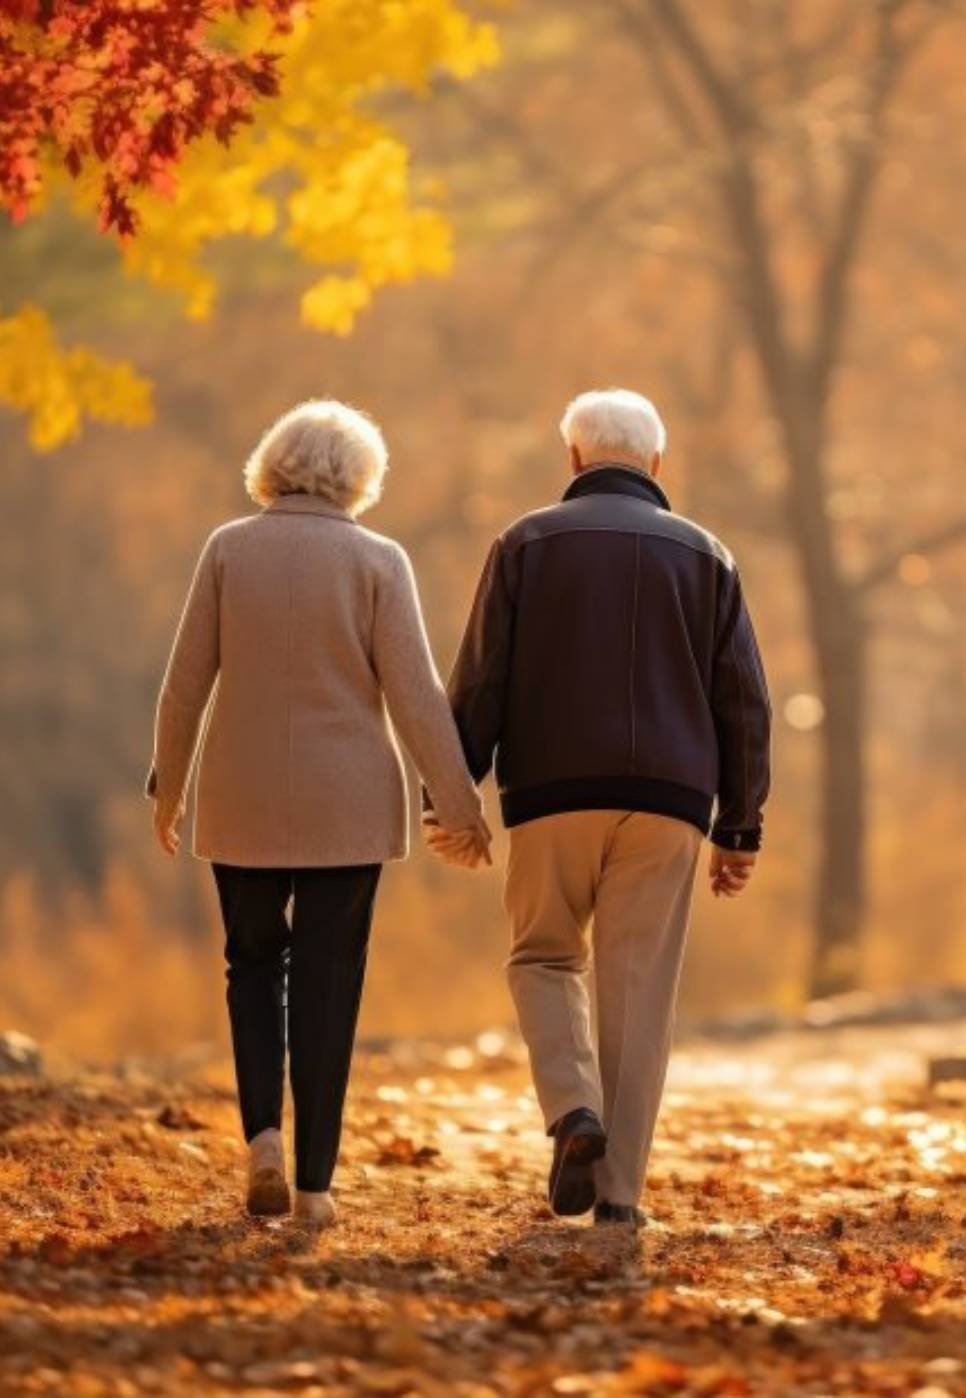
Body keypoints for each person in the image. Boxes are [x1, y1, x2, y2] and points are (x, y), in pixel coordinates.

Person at [427, 388, 770, 1228]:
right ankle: (618, 1198)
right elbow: (745, 702)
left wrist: (454, 796)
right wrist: (739, 824)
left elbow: (479, 680)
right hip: (669, 803)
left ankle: (574, 1108)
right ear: (656, 464)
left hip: (549, 795)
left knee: (544, 957)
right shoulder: (709, 555)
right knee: (638, 992)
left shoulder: (525, 542)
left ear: (573, 459)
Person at [147, 400, 489, 1228]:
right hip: (349, 803)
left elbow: (186, 679)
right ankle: (314, 1187)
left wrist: (169, 786)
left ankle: (263, 1133)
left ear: (274, 464)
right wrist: (460, 804)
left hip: (242, 794)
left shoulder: (228, 550)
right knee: (330, 989)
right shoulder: (379, 559)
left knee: (252, 968)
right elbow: (414, 695)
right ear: (359, 475)